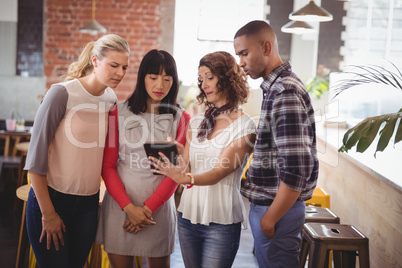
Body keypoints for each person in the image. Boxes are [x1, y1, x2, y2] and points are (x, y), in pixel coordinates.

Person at [24, 34, 130, 267]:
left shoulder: (111, 98)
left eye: (124, 67)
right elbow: (34, 161)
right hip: (51, 200)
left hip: (88, 204)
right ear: (94, 60)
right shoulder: (62, 93)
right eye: (114, 65)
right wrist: (48, 214)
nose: (120, 73)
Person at [149, 51, 257, 268]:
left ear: (226, 78)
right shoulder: (198, 121)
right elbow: (188, 164)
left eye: (210, 77)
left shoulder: (246, 126)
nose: (204, 85)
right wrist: (177, 153)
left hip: (222, 221)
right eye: (201, 79)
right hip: (188, 216)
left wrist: (185, 178)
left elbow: (219, 171)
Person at [233, 20, 319, 267]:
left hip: (278, 211)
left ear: (266, 47)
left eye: (244, 53)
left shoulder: (285, 91)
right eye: (238, 55)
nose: (241, 62)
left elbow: (295, 168)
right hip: (274, 208)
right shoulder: (276, 88)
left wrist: (270, 219)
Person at [95, 49, 191, 268]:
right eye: (154, 77)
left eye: (167, 79)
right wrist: (129, 208)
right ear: (143, 77)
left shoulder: (182, 118)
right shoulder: (116, 113)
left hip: (157, 212)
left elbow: (177, 172)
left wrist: (146, 210)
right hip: (120, 208)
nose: (160, 85)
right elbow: (108, 166)